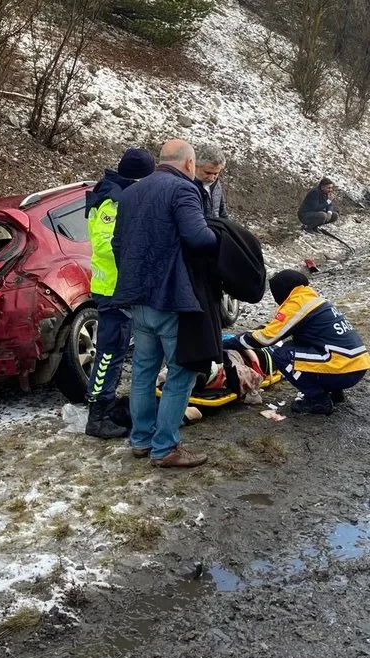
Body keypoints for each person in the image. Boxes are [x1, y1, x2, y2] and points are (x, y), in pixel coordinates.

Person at [112, 139, 217, 469]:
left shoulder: (129, 193)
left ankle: (141, 440)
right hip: (170, 299)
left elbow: (117, 244)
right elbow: (199, 237)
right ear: (189, 164)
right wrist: (223, 236)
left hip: (137, 298)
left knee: (143, 370)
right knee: (181, 371)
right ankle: (165, 447)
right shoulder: (182, 190)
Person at [224, 270, 370, 416]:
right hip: (356, 365)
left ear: (282, 290)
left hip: (342, 368)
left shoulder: (297, 304)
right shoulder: (312, 300)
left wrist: (228, 343)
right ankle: (335, 392)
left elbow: (265, 338)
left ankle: (318, 400)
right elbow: (279, 328)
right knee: (297, 345)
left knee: (282, 355)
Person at [82, 148, 155, 439]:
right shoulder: (111, 200)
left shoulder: (117, 194)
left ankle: (108, 406)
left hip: (119, 287)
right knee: (109, 353)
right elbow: (105, 244)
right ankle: (97, 415)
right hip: (113, 289)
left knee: (116, 350)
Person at [194, 144, 228, 219]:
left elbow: (222, 213)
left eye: (216, 173)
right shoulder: (186, 186)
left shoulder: (218, 184)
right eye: (208, 173)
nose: (212, 178)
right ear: (196, 166)